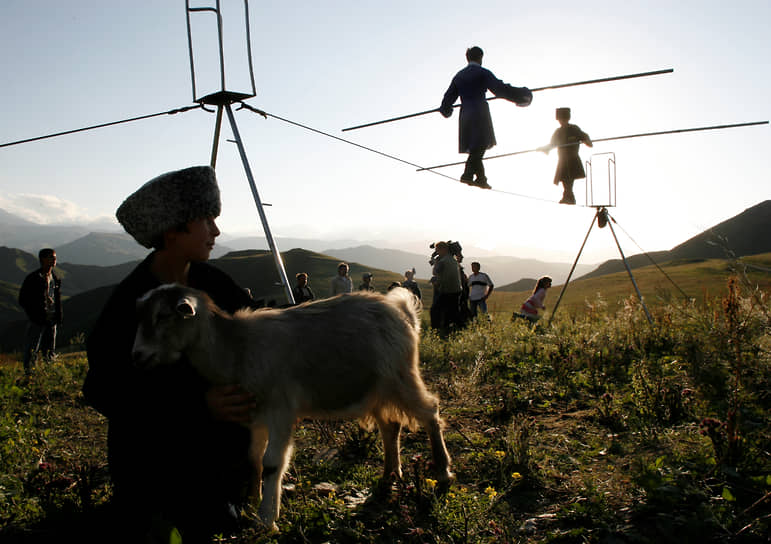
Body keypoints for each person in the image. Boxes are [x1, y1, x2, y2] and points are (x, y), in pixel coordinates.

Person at [82, 166, 263, 543]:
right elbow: (104, 388)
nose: (216, 231)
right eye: (206, 220)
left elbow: (254, 330)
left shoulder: (213, 283)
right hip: (156, 460)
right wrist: (198, 403)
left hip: (217, 453)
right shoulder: (129, 304)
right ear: (173, 230)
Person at [439, 46, 532, 189]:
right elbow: (500, 89)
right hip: (479, 113)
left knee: (477, 148)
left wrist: (446, 110)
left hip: (465, 115)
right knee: (480, 145)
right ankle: (468, 174)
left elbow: (447, 99)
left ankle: (480, 178)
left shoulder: (459, 76)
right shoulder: (482, 73)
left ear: (467, 58)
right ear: (480, 58)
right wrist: (522, 95)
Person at [18, 248, 62, 375]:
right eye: (51, 257)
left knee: (49, 350)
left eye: (54, 257)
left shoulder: (55, 278)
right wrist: (34, 314)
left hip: (51, 320)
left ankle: (49, 374)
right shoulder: (33, 278)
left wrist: (58, 315)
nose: (54, 260)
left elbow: (56, 298)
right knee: (32, 349)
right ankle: (30, 375)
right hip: (38, 320)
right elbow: (23, 299)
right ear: (43, 259)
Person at [539, 107, 593, 205]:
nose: (562, 121)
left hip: (572, 158)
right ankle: (568, 196)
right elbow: (552, 144)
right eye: (560, 120)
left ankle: (568, 196)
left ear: (567, 119)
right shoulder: (558, 132)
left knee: (568, 178)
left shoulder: (574, 129)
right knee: (564, 178)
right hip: (563, 159)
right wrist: (543, 148)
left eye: (563, 119)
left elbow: (585, 136)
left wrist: (587, 141)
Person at [430, 241, 463, 335]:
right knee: (453, 311)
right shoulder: (452, 260)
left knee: (435, 310)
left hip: (446, 290)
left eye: (437, 250)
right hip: (456, 290)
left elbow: (435, 272)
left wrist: (435, 262)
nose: (437, 252)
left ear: (443, 249)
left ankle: (435, 331)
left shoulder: (443, 261)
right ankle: (457, 329)